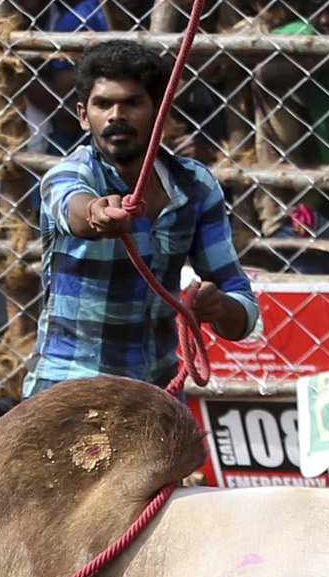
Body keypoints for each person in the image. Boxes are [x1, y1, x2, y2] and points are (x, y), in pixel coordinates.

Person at [32, 36, 259, 391]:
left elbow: (239, 301)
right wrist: (97, 213)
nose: (116, 116)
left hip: (156, 391)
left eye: (133, 103)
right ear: (82, 115)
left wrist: (219, 307)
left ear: (160, 111)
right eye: (102, 104)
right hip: (70, 387)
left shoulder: (195, 185)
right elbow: (72, 206)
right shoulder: (70, 175)